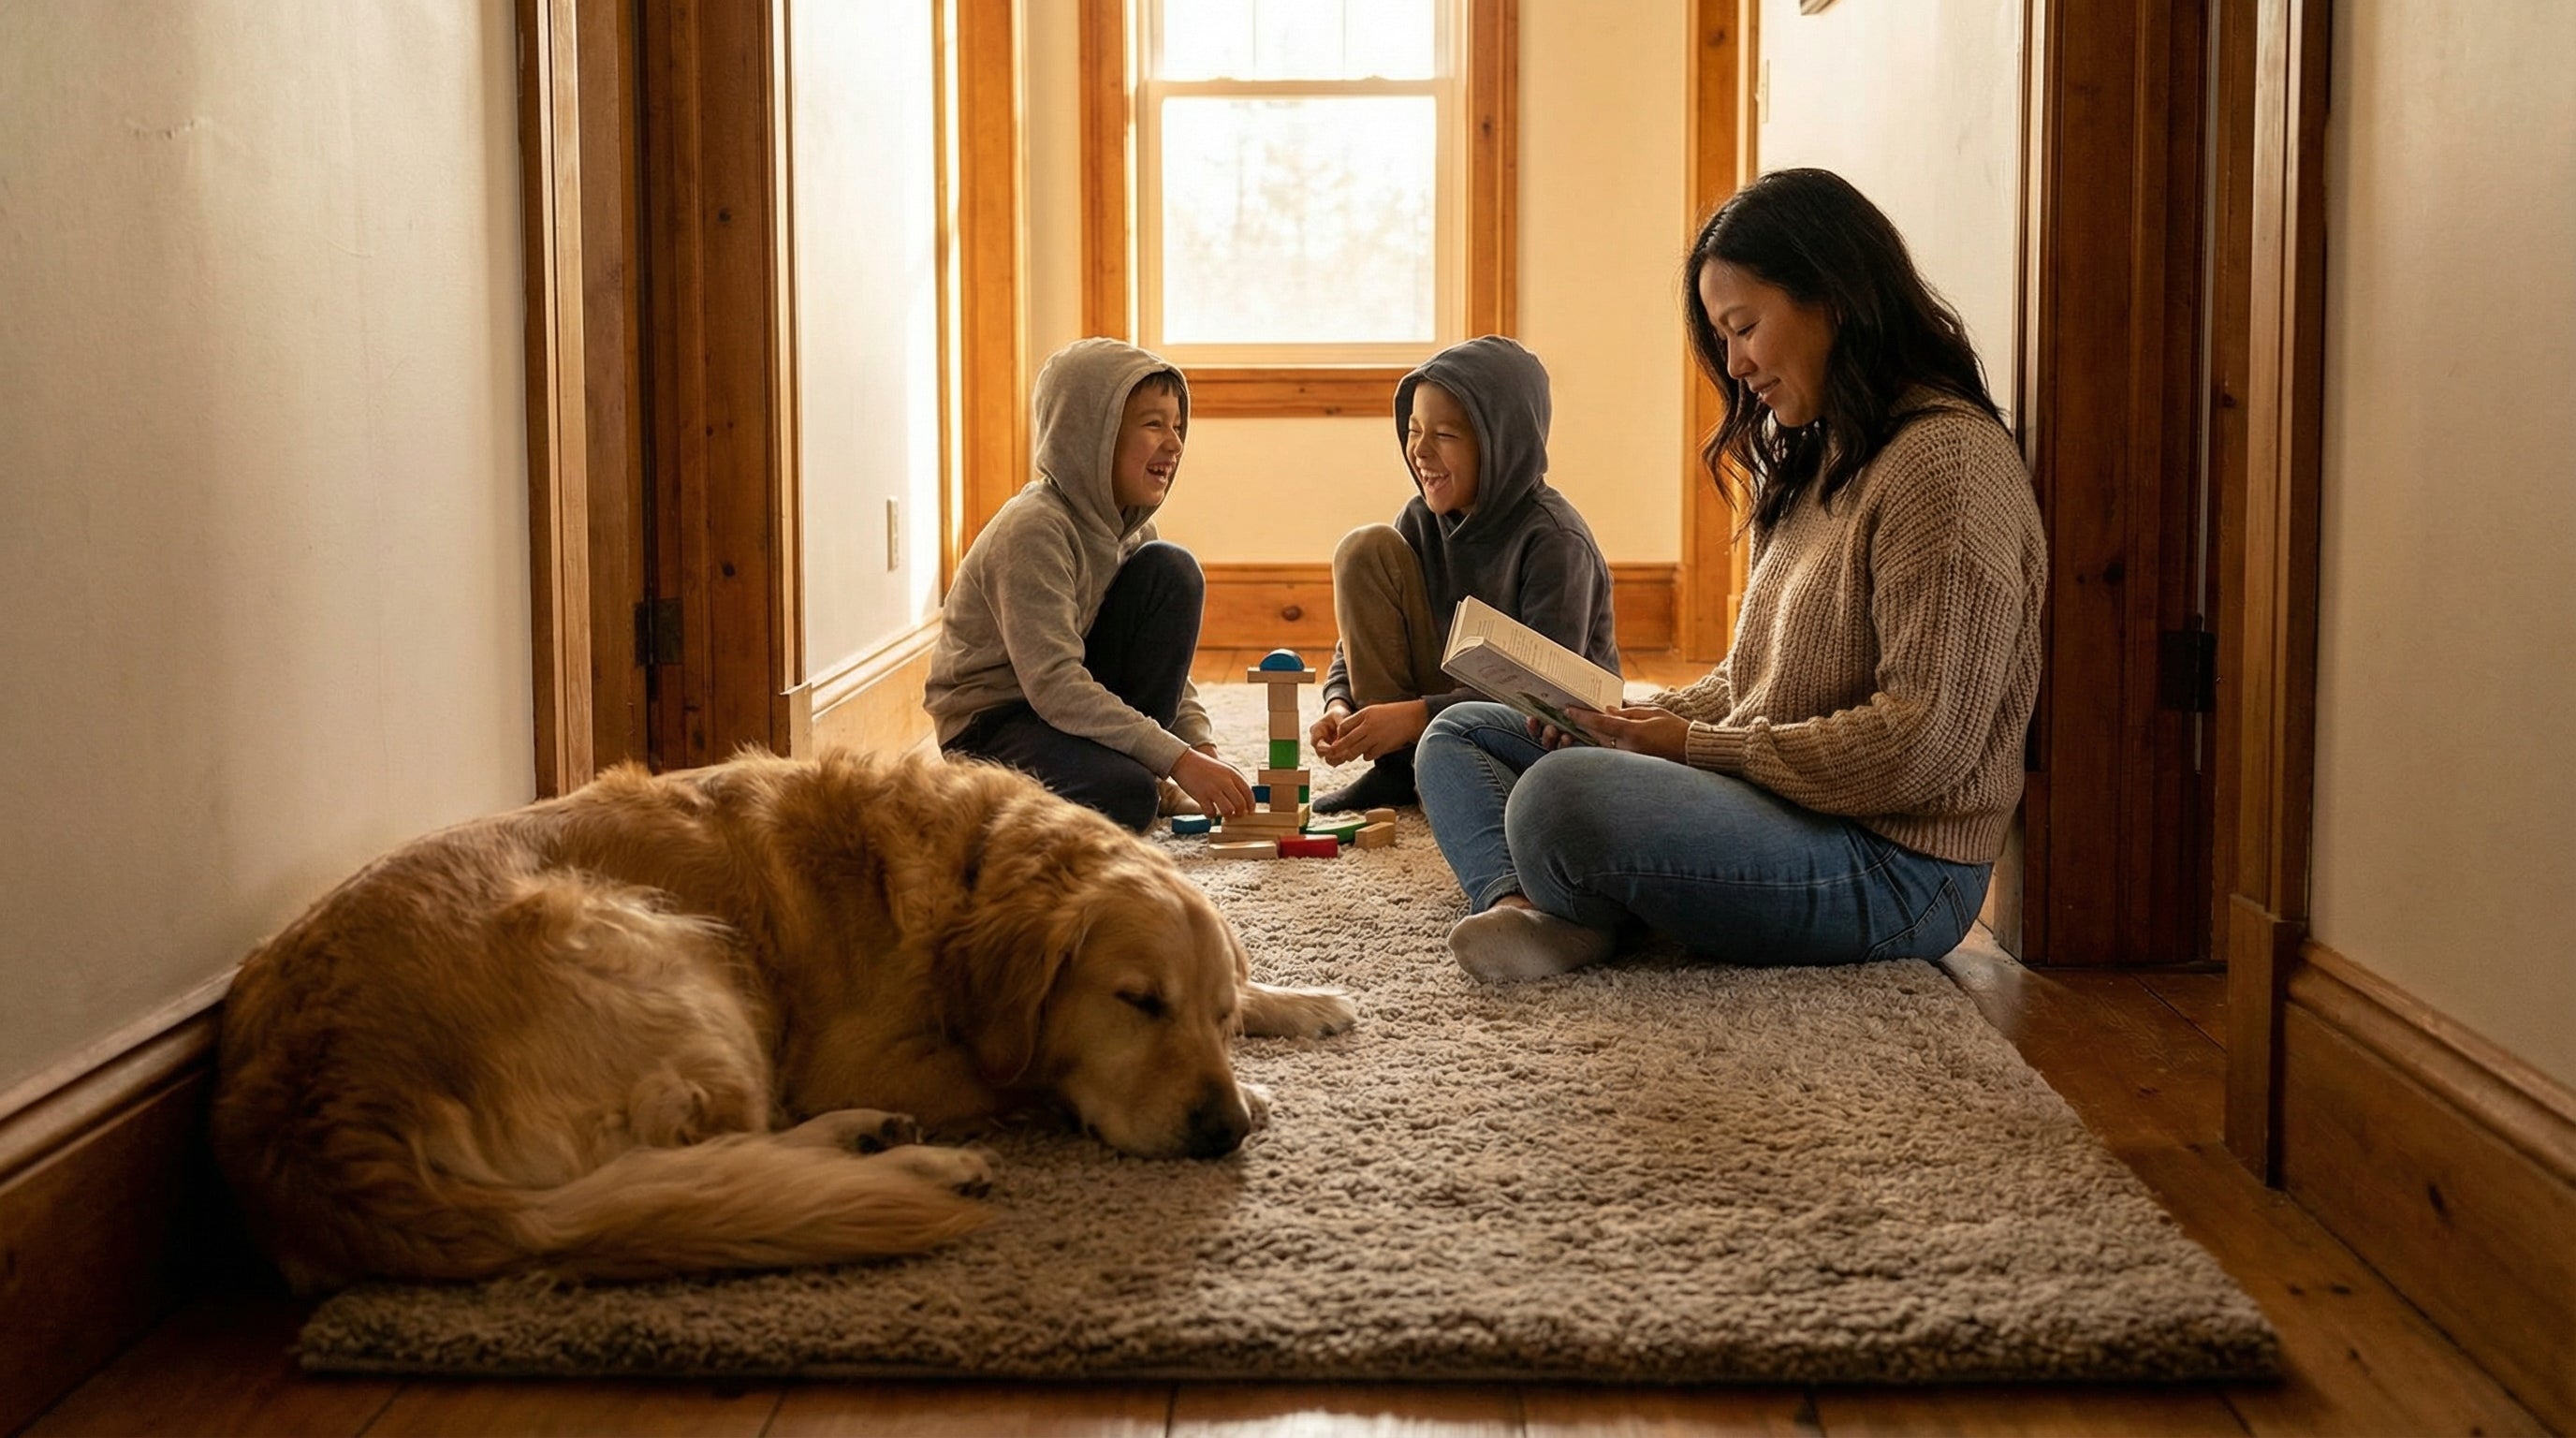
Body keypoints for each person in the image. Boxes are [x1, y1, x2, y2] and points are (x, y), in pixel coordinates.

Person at [1416, 168, 2047, 982]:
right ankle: (1526, 911)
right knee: (1465, 733)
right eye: (1722, 336)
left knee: (1560, 797)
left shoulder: (1947, 468)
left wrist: (1696, 749)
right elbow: (1754, 684)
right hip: (1790, 807)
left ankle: (1581, 903)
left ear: (1835, 297)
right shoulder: (1830, 456)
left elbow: (1922, 745)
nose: (1735, 362)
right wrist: (1625, 720)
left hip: (1898, 867)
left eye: (1743, 327)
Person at [924, 338, 1255, 832]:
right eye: (1153, 424)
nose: (1174, 443)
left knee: (1173, 569)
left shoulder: (1135, 530)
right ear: (1090, 436)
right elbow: (1054, 685)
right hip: (994, 723)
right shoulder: (1033, 529)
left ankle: (1135, 771)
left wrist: (1199, 750)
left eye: (1178, 426)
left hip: (1070, 700)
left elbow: (1168, 666)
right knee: (1127, 797)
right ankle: (977, 796)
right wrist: (1176, 763)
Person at [1308, 335, 1619, 813]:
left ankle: (1450, 772)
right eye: (1414, 430)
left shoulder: (1556, 541)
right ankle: (1396, 770)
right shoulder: (1418, 521)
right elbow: (1358, 640)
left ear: (1502, 444)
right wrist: (1341, 704)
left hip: (1542, 734)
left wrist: (1416, 716)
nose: (1421, 451)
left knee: (1538, 776)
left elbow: (1547, 696)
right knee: (1364, 548)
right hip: (1443, 715)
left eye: (1446, 435)